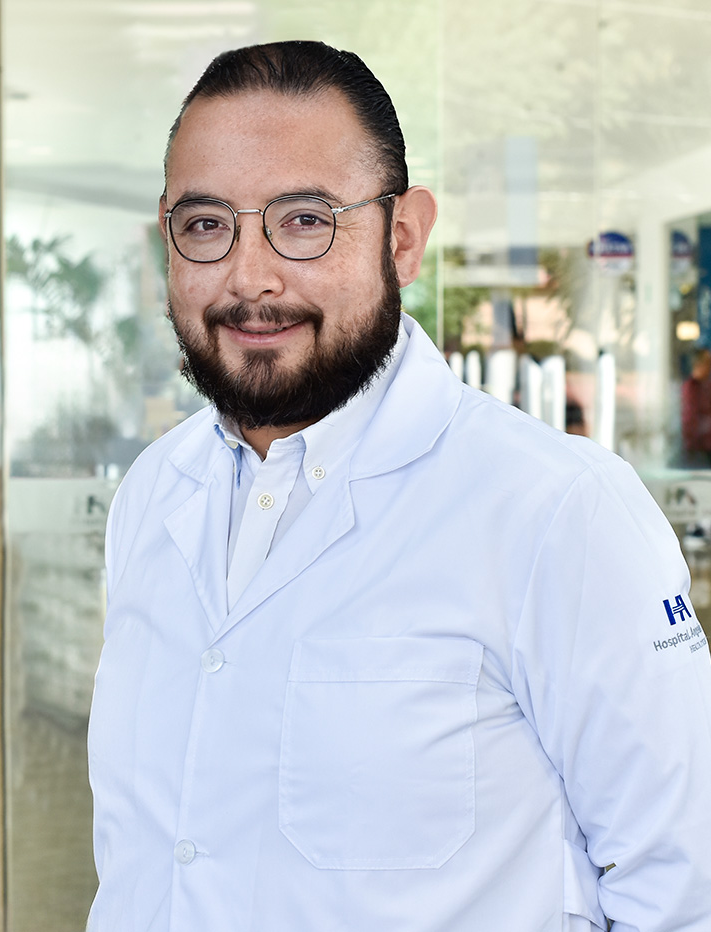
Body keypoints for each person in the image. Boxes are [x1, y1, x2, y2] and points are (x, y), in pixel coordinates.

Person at [87, 40, 711, 932]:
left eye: (306, 220)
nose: (250, 276)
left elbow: (687, 886)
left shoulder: (558, 513)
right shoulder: (153, 495)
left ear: (404, 237)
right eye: (207, 224)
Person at [681, 347, 711, 465]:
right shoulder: (691, 388)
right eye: (707, 363)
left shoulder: (705, 386)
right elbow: (690, 418)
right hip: (698, 449)